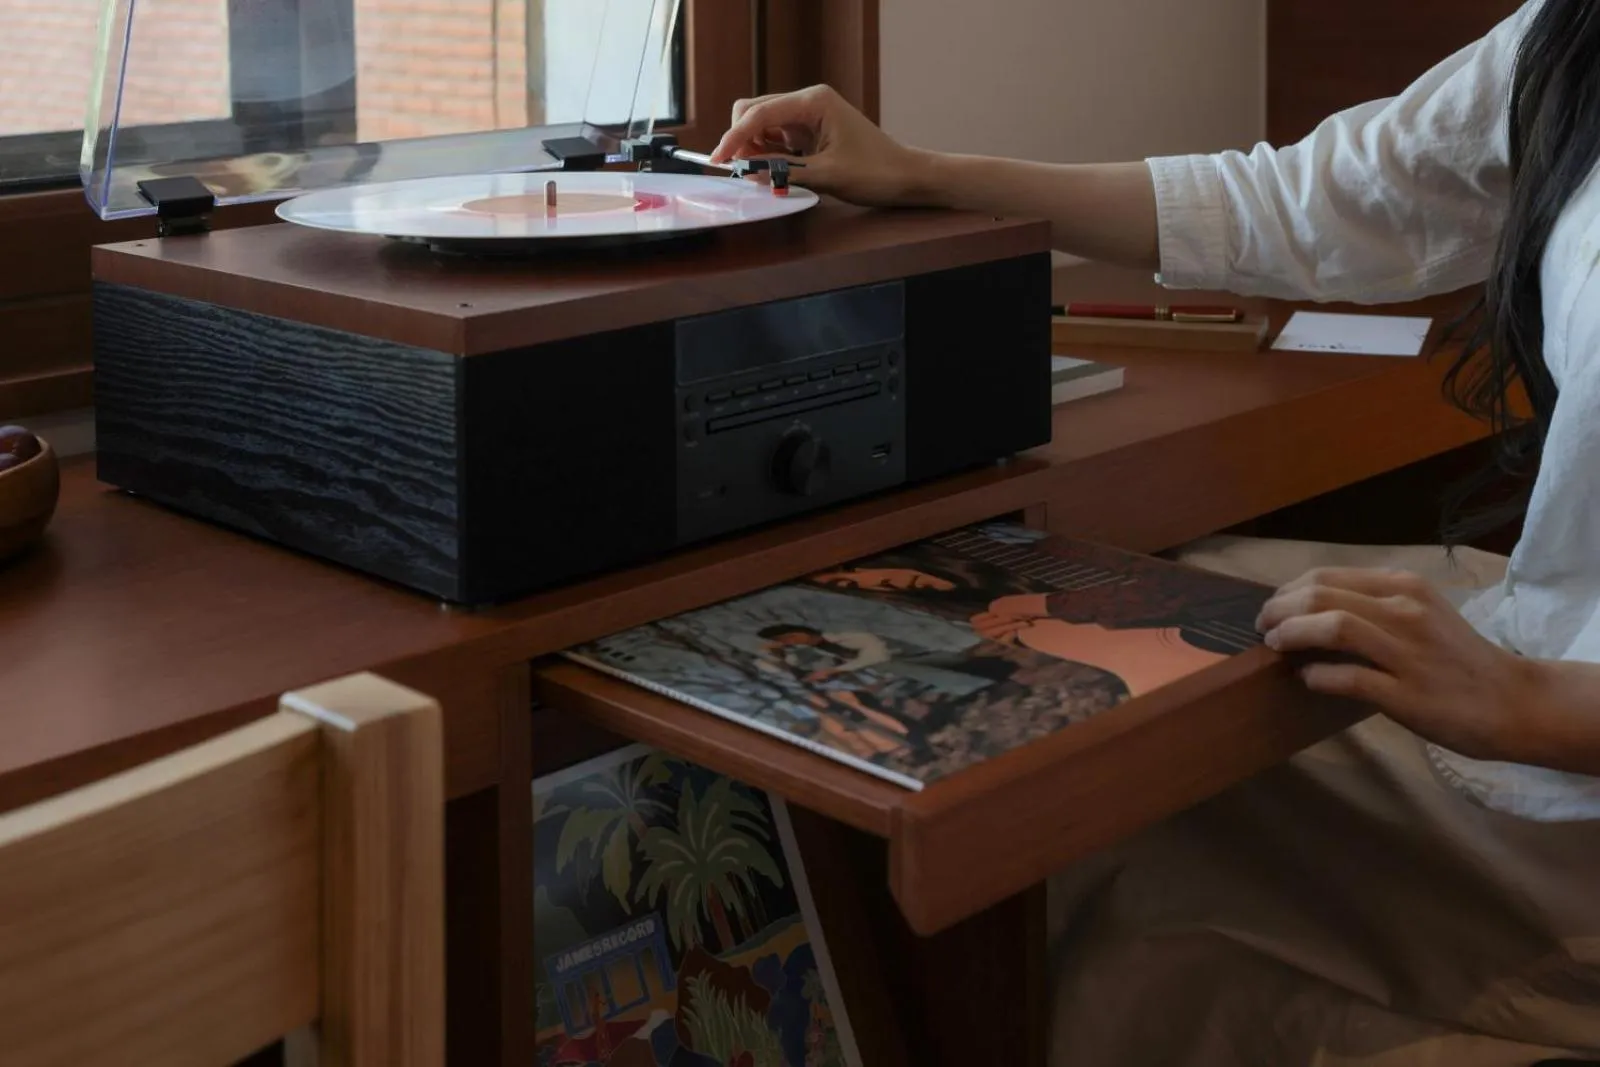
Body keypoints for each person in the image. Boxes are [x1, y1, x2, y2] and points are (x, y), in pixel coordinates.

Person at [713, 0, 1600, 1063]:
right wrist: (924, 171)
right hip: (1539, 653)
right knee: (1140, 608)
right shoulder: (1567, 33)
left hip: (1563, 770)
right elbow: (1308, 198)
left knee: (1080, 819)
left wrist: (1537, 704)